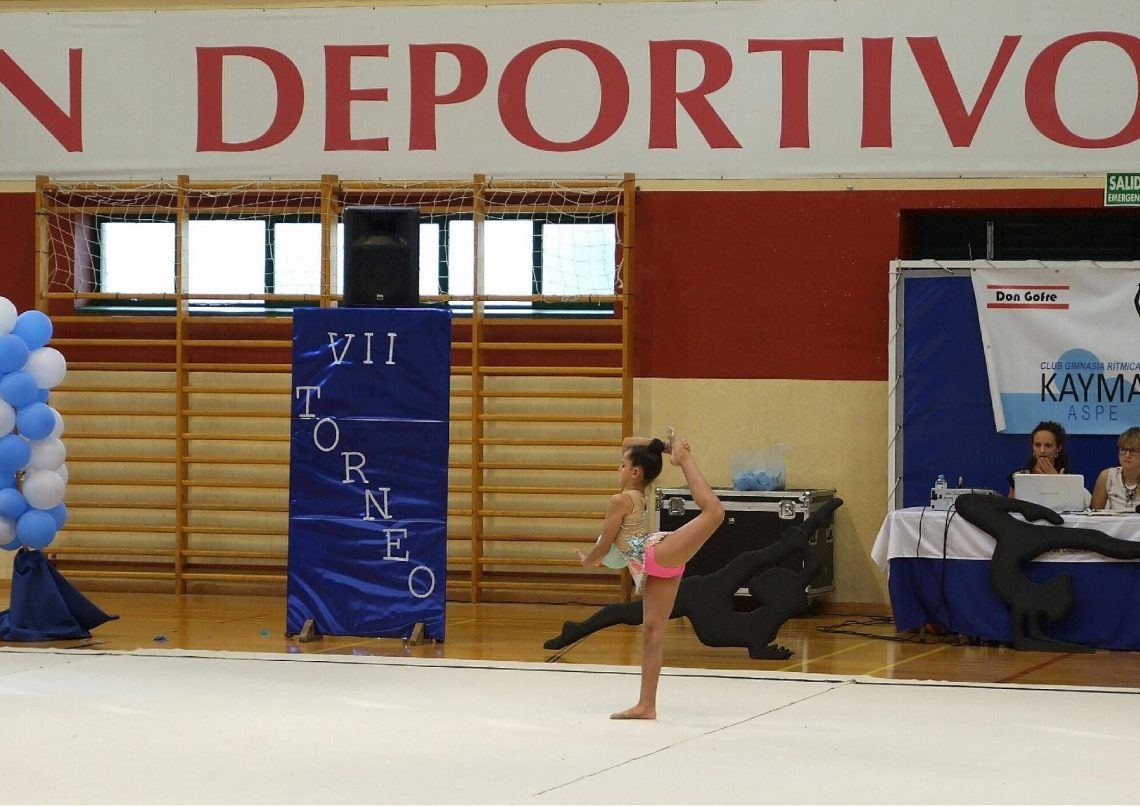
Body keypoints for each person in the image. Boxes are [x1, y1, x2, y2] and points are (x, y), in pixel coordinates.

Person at [576, 431, 724, 720]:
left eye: (621, 465)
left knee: (714, 512)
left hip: (655, 555)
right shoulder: (637, 495)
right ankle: (646, 705)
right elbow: (628, 442)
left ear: (635, 472)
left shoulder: (619, 500)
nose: (617, 468)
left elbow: (605, 545)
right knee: (651, 633)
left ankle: (685, 460)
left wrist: (589, 561)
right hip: (652, 565)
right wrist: (664, 445)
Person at [1008, 420, 1071, 496]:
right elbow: (1010, 506)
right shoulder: (1018, 476)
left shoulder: (1069, 478)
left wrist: (1056, 481)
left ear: (1058, 448)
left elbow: (1070, 506)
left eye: (1048, 445)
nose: (1042, 450)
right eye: (1037, 445)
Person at [1090, 427, 1140, 512]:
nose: (1127, 455)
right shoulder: (1107, 476)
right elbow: (1094, 515)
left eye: (1133, 450)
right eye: (1123, 449)